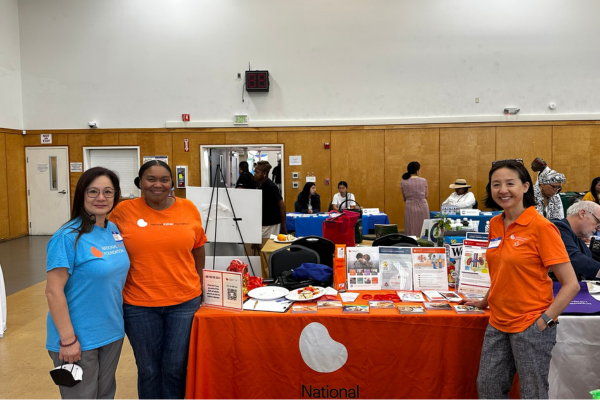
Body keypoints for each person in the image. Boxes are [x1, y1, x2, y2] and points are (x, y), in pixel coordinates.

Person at [465, 159, 579, 399]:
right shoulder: (495, 223)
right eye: (496, 184)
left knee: (532, 393)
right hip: (498, 322)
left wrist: (544, 321)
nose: (502, 190)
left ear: (526, 186)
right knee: (488, 387)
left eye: (510, 183)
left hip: (531, 323)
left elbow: (571, 285)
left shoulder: (542, 227)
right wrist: (485, 301)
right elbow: (501, 270)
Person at [109, 160, 207, 399]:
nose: (157, 184)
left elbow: (198, 247)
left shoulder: (188, 208)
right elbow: (107, 247)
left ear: (172, 183)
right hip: (138, 304)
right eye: (151, 179)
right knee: (149, 370)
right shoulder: (122, 211)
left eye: (164, 179)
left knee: (175, 368)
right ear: (140, 182)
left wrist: (201, 283)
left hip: (184, 302)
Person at [46, 167, 130, 399]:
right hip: (78, 338)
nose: (101, 198)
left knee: (105, 395)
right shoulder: (67, 236)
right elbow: (53, 291)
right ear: (81, 194)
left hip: (111, 332)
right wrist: (68, 340)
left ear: (116, 196)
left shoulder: (113, 230)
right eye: (93, 191)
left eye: (108, 192)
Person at [551, 201, 600, 280]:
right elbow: (575, 259)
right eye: (598, 221)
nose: (598, 229)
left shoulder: (575, 236)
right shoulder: (557, 228)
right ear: (582, 214)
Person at [254, 160, 287, 239]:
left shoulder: (271, 186)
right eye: (254, 171)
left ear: (264, 173)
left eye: (257, 172)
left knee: (267, 245)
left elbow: (282, 206)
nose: (254, 174)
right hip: (262, 222)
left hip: (271, 223)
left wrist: (283, 227)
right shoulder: (258, 184)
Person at [400, 161, 429, 237]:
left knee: (411, 225)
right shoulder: (423, 181)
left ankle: (411, 241)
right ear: (417, 170)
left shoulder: (403, 182)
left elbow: (404, 198)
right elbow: (426, 195)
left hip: (410, 206)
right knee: (423, 225)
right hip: (423, 206)